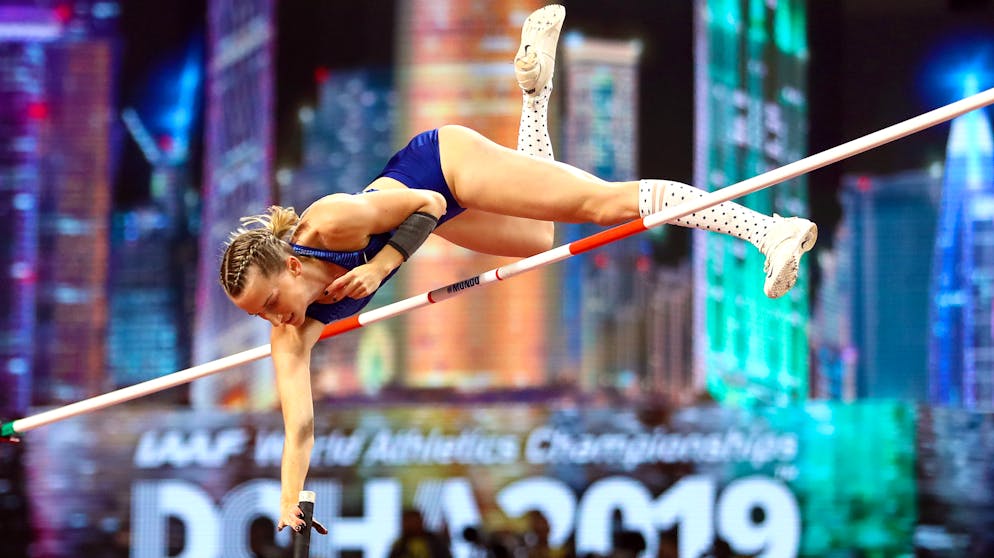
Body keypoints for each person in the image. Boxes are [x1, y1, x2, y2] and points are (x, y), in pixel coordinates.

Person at [219, 4, 817, 532]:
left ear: (294, 264)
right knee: (538, 239)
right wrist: (290, 499)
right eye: (260, 315)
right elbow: (299, 425)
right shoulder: (290, 335)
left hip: (442, 167)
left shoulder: (330, 224)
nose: (274, 320)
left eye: (271, 301)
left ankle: (769, 232)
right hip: (435, 211)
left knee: (601, 204)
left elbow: (426, 203)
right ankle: (534, 92)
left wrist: (379, 269)